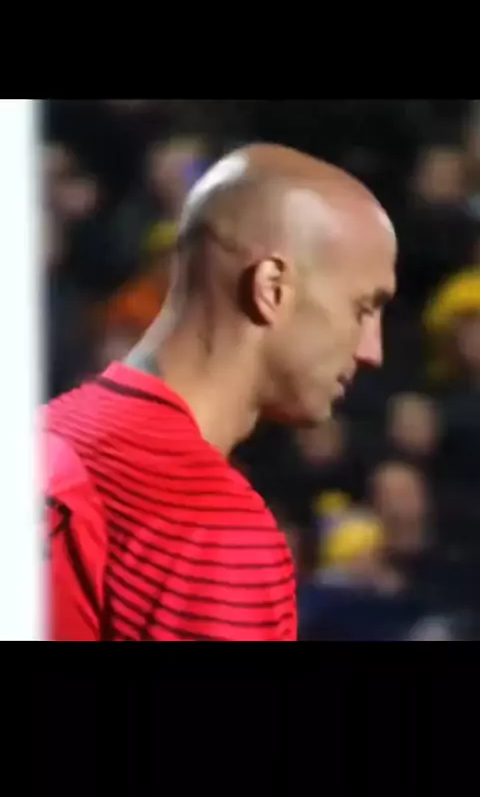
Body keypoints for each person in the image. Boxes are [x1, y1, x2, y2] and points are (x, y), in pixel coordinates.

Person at [44, 143, 396, 641]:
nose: (372, 351)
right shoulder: (211, 530)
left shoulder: (42, 437)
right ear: (271, 288)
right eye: (362, 308)